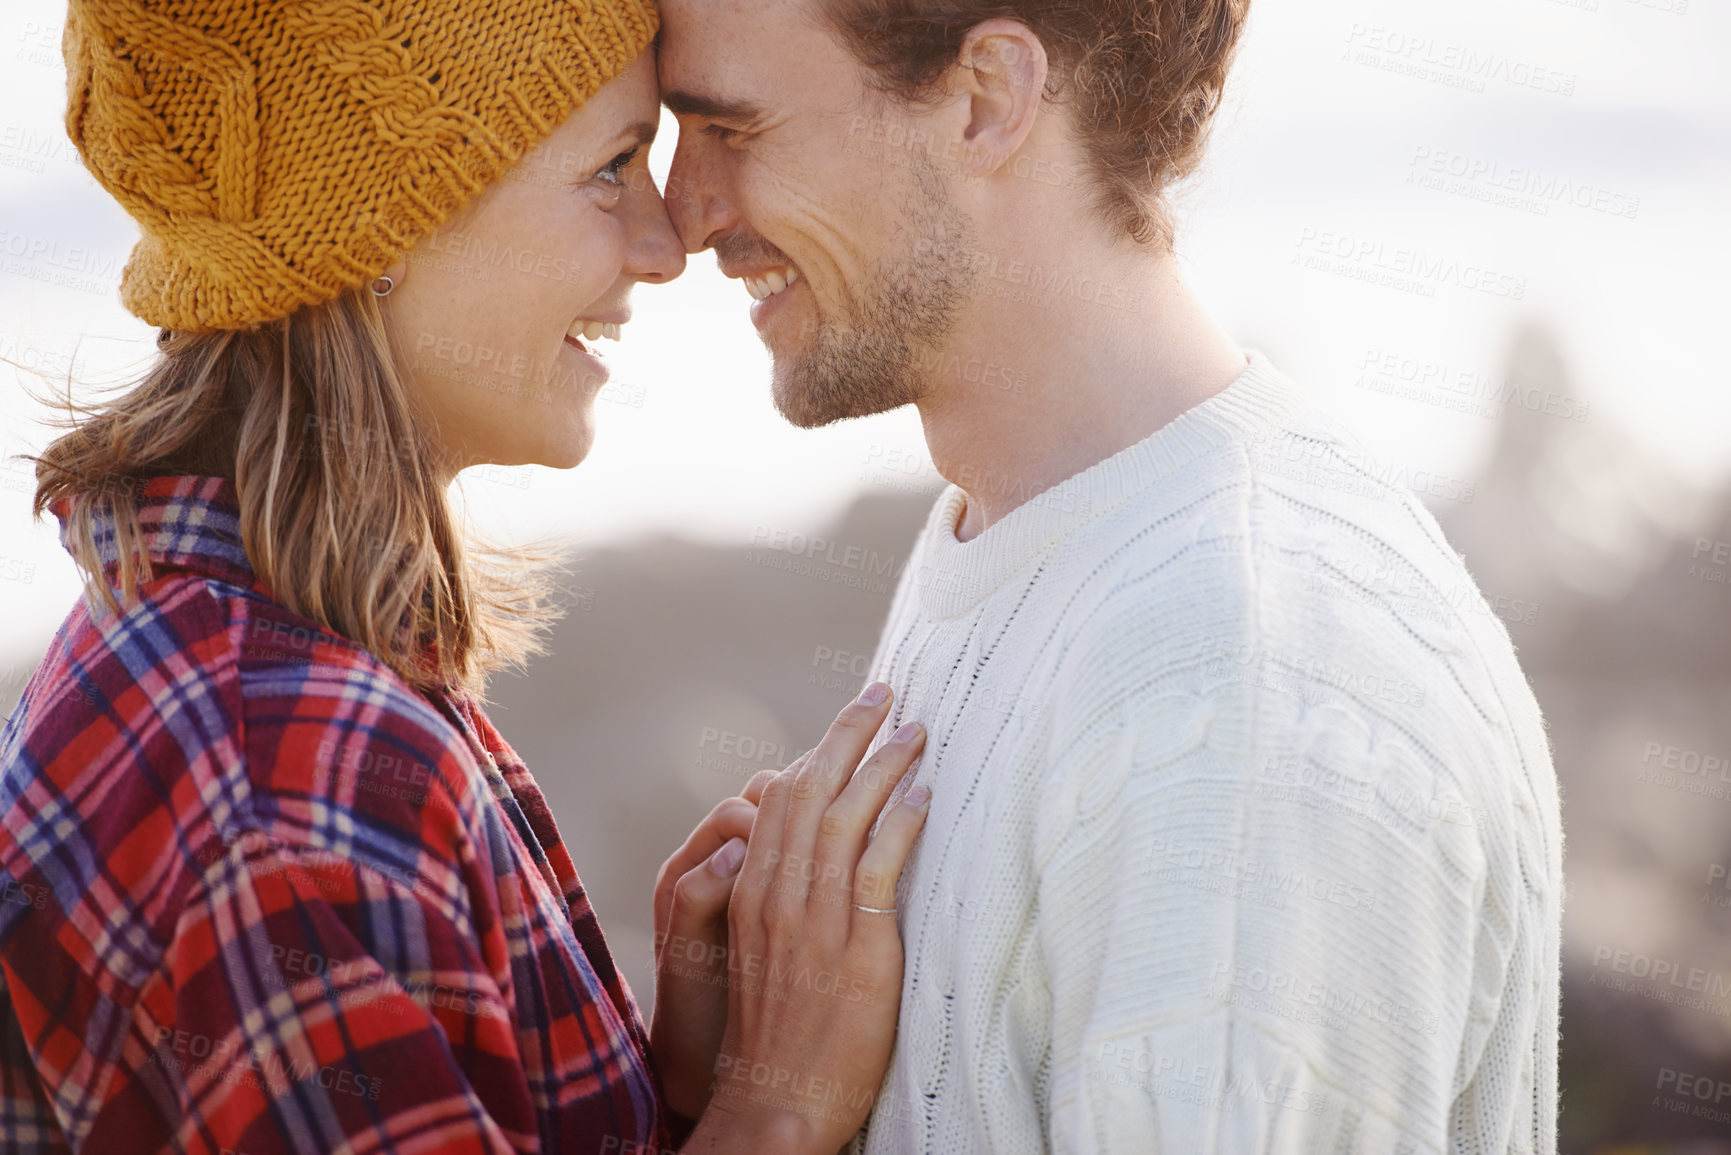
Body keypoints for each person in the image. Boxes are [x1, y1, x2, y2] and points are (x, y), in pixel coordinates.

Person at [0, 2, 933, 1152]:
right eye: (609, 169)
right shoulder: (287, 785)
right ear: (378, 227)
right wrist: (776, 1111)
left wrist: (679, 1098)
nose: (664, 242)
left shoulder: (245, 650)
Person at [657, 0, 1564, 1151]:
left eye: (731, 129)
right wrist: (714, 1097)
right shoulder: (1024, 529)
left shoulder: (1236, 676)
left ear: (988, 98)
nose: (683, 215)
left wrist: (768, 1122)